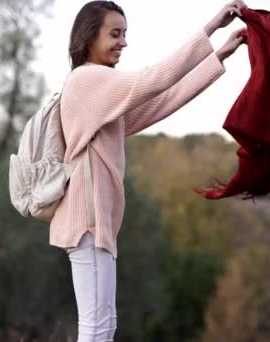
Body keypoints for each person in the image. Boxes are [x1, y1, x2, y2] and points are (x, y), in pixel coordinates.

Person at [49, 1, 248, 340]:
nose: (123, 42)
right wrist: (211, 28)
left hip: (98, 225)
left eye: (125, 34)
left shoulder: (101, 91)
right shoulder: (87, 80)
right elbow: (153, 79)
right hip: (88, 222)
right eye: (115, 34)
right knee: (96, 328)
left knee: (104, 325)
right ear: (89, 36)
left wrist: (220, 56)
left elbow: (161, 101)